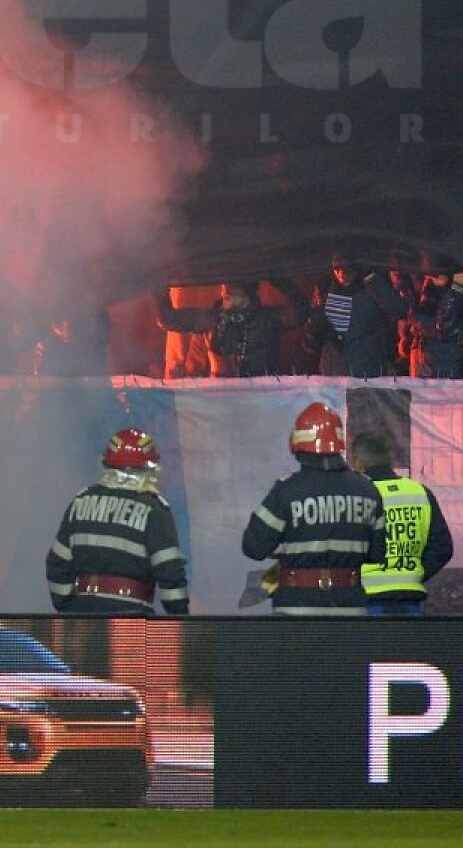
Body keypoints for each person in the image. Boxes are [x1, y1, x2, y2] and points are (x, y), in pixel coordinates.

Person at [241, 402, 384, 615]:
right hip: (349, 606)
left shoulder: (286, 490)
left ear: (297, 446)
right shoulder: (368, 490)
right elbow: (378, 554)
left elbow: (253, 547)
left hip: (296, 607)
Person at [45, 428, 189, 615]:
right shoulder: (154, 510)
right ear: (150, 469)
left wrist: (69, 609)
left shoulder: (80, 503)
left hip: (83, 617)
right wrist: (180, 617)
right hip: (132, 620)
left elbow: (57, 564)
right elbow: (170, 573)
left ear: (106, 465)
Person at [350, 430, 454, 615]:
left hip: (367, 597)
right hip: (409, 598)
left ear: (358, 463)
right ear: (389, 459)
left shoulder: (356, 497)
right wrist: (415, 573)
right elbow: (442, 547)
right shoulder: (419, 492)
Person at [159, 277, 307, 378]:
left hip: (262, 400)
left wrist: (281, 281)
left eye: (232, 289)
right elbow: (168, 319)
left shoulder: (268, 319)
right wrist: (159, 285)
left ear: (248, 294)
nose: (225, 292)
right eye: (224, 288)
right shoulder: (212, 320)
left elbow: (302, 313)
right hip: (224, 402)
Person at [305, 258, 405, 377]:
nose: (341, 273)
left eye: (346, 267)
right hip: (335, 375)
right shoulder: (326, 291)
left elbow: (399, 310)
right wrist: (313, 333)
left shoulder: (371, 286)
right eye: (337, 268)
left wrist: (371, 279)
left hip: (368, 373)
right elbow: (312, 342)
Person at [400, 270, 463, 379]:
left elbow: (444, 325)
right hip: (425, 367)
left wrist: (455, 287)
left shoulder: (461, 295)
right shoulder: (424, 290)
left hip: (446, 370)